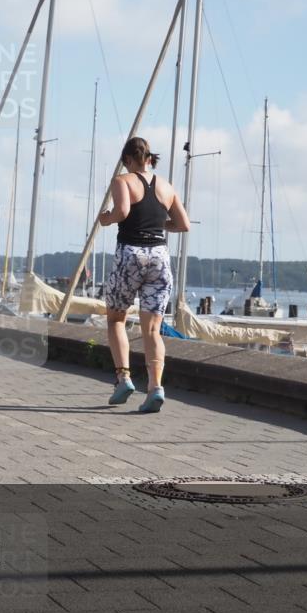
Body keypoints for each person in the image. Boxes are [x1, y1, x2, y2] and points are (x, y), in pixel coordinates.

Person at [98, 137, 189, 413]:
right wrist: (159, 223)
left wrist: (107, 218)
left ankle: (123, 378)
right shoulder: (166, 186)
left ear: (127, 159)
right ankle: (155, 387)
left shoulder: (122, 181)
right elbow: (183, 224)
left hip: (131, 253)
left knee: (116, 318)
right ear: (150, 159)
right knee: (152, 329)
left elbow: (123, 211)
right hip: (159, 256)